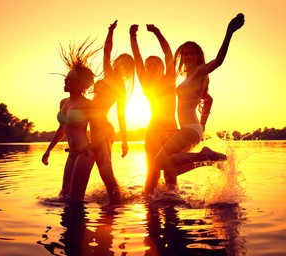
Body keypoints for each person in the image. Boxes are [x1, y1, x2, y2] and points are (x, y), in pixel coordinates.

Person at [154, 13, 245, 174]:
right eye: (186, 54)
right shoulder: (191, 78)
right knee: (172, 169)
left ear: (198, 56)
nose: (189, 56)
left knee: (160, 162)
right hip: (191, 128)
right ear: (182, 57)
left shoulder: (199, 72)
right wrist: (202, 125)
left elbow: (218, 61)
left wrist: (229, 33)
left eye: (192, 53)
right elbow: (208, 99)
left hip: (189, 129)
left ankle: (204, 155)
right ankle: (207, 161)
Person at [42, 39, 99, 202]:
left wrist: (93, 151)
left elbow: (97, 130)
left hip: (84, 153)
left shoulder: (88, 104)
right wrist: (48, 150)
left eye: (69, 79)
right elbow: (61, 129)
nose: (65, 81)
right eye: (66, 78)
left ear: (80, 83)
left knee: (75, 199)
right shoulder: (63, 102)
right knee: (64, 195)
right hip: (71, 154)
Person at [129, 24, 178, 195]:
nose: (150, 67)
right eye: (148, 65)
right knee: (153, 172)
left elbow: (168, 54)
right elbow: (137, 58)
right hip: (154, 132)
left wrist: (157, 32)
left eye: (154, 64)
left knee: (171, 173)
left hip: (172, 131)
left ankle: (171, 206)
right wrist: (132, 37)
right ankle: (149, 203)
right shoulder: (146, 84)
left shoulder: (170, 80)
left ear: (162, 67)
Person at [91, 20, 135, 203]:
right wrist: (110, 31)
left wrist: (124, 140)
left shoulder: (118, 85)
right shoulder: (108, 75)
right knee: (106, 169)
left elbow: (121, 114)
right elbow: (107, 50)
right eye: (121, 62)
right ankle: (117, 200)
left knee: (104, 169)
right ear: (116, 63)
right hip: (100, 127)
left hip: (101, 126)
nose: (121, 66)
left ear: (128, 70)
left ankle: (115, 204)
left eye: (126, 65)